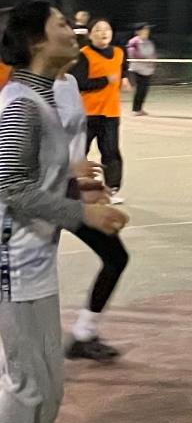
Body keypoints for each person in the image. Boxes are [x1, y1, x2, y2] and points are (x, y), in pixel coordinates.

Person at [0, 0, 129, 423]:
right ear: (36, 40)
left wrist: (74, 177)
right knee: (29, 386)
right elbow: (11, 186)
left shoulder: (44, 98)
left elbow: (33, 171)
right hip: (13, 262)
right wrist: (84, 212)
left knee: (46, 388)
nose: (72, 31)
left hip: (34, 259)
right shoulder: (21, 103)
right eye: (60, 24)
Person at [55, 59, 129, 362]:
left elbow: (72, 144)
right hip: (41, 197)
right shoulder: (24, 91)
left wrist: (83, 183)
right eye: (64, 33)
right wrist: (69, 173)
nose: (74, 37)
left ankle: (84, 333)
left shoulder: (70, 83)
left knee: (115, 256)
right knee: (29, 277)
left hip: (67, 190)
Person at [71, 19, 129, 204]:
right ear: (90, 34)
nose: (103, 33)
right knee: (79, 153)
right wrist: (104, 80)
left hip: (111, 113)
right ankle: (74, 189)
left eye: (107, 29)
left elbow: (122, 68)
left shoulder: (119, 52)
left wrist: (124, 78)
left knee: (111, 153)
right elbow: (79, 83)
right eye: (98, 30)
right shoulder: (84, 55)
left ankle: (111, 189)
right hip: (87, 114)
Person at [125, 24, 157, 116]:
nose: (146, 32)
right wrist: (145, 59)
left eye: (147, 30)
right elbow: (132, 54)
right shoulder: (133, 42)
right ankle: (135, 109)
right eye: (144, 30)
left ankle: (140, 108)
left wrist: (153, 60)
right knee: (140, 88)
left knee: (144, 90)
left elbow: (153, 53)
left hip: (148, 69)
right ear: (138, 32)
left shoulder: (149, 42)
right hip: (137, 69)